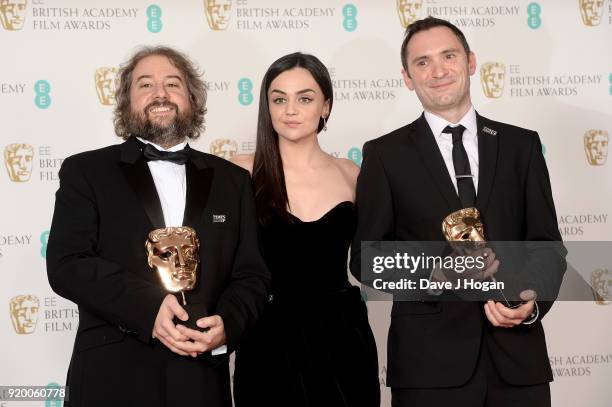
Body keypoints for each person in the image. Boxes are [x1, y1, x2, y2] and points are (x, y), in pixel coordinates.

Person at [351, 17, 566, 407]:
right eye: (422, 62)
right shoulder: (384, 155)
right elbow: (367, 258)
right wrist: (437, 270)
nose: (438, 71)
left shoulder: (522, 146)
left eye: (448, 56)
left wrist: (532, 303)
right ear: (407, 77)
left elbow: (547, 246)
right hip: (428, 366)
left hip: (518, 364)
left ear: (470, 61)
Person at [46, 46, 270, 407]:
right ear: (126, 102)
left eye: (172, 83)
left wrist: (228, 322)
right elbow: (67, 264)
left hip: (200, 380)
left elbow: (252, 275)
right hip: (111, 378)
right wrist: (148, 308)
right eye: (145, 85)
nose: (160, 94)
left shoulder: (232, 181)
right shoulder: (86, 172)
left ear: (192, 99)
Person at [231, 52, 380, 407]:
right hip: (266, 335)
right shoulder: (239, 173)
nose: (290, 110)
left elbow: (378, 254)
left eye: (305, 98)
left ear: (325, 106)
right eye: (278, 99)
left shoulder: (353, 174)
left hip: (344, 336)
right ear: (267, 107)